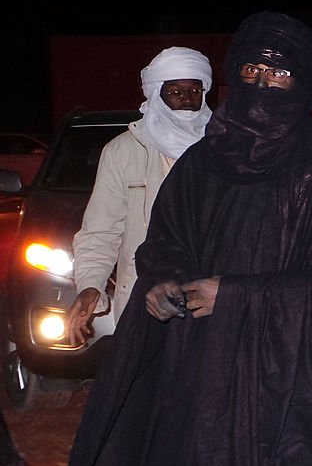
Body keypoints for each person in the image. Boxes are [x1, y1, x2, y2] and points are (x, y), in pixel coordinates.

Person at [62, 12, 312, 466]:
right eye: (251, 73)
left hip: (277, 374)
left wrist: (237, 294)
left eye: (278, 74)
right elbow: (162, 243)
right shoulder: (201, 163)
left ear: (303, 86)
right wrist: (159, 282)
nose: (262, 85)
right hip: (192, 363)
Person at [68, 46, 213, 344]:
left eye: (194, 90)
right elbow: (101, 230)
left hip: (209, 295)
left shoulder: (223, 147)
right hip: (145, 295)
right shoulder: (124, 151)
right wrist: (90, 285)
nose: (187, 100)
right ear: (156, 93)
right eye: (176, 92)